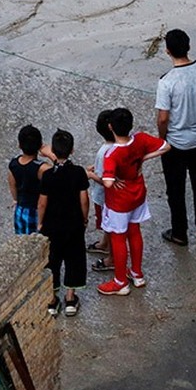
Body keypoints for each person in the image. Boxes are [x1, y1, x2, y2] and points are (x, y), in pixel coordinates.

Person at [155, 28, 196, 246]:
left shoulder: (166, 82)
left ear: (167, 51)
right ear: (188, 47)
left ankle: (180, 232)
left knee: (175, 188)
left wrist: (161, 139)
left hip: (176, 141)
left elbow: (163, 118)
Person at [97, 108, 170, 296]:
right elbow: (165, 146)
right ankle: (137, 273)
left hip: (119, 202)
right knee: (135, 231)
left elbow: (107, 181)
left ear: (110, 127)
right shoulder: (141, 139)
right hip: (138, 194)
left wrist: (105, 178)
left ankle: (120, 281)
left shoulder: (111, 154)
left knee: (118, 237)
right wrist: (144, 158)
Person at [38, 130, 90, 316]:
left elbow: (43, 202)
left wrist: (40, 222)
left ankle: (52, 301)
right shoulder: (78, 173)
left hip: (52, 226)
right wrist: (84, 218)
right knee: (74, 259)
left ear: (53, 149)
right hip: (74, 224)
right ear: (72, 150)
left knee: (53, 260)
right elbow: (84, 200)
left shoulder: (49, 175)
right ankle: (70, 299)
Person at [86, 110, 116, 272]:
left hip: (104, 197)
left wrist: (91, 174)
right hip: (108, 196)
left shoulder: (105, 151)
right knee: (106, 224)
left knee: (109, 225)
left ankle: (111, 257)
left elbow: (105, 180)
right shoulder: (115, 148)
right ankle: (104, 244)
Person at [7, 125, 44, 234]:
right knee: (37, 239)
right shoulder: (41, 168)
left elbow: (12, 184)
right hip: (35, 209)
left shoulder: (13, 164)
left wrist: (16, 199)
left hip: (20, 208)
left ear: (19, 145)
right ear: (40, 146)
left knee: (21, 237)